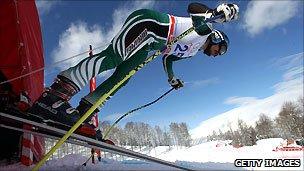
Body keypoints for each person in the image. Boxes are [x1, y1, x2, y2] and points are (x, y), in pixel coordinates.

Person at [29, 2, 239, 127]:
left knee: (123, 78)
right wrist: (215, 13)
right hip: (148, 25)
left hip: (150, 46)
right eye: (220, 50)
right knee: (114, 57)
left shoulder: (193, 52)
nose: (217, 54)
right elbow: (193, 8)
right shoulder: (205, 32)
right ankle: (56, 95)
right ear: (218, 39)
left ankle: (86, 110)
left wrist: (171, 77)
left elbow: (168, 58)